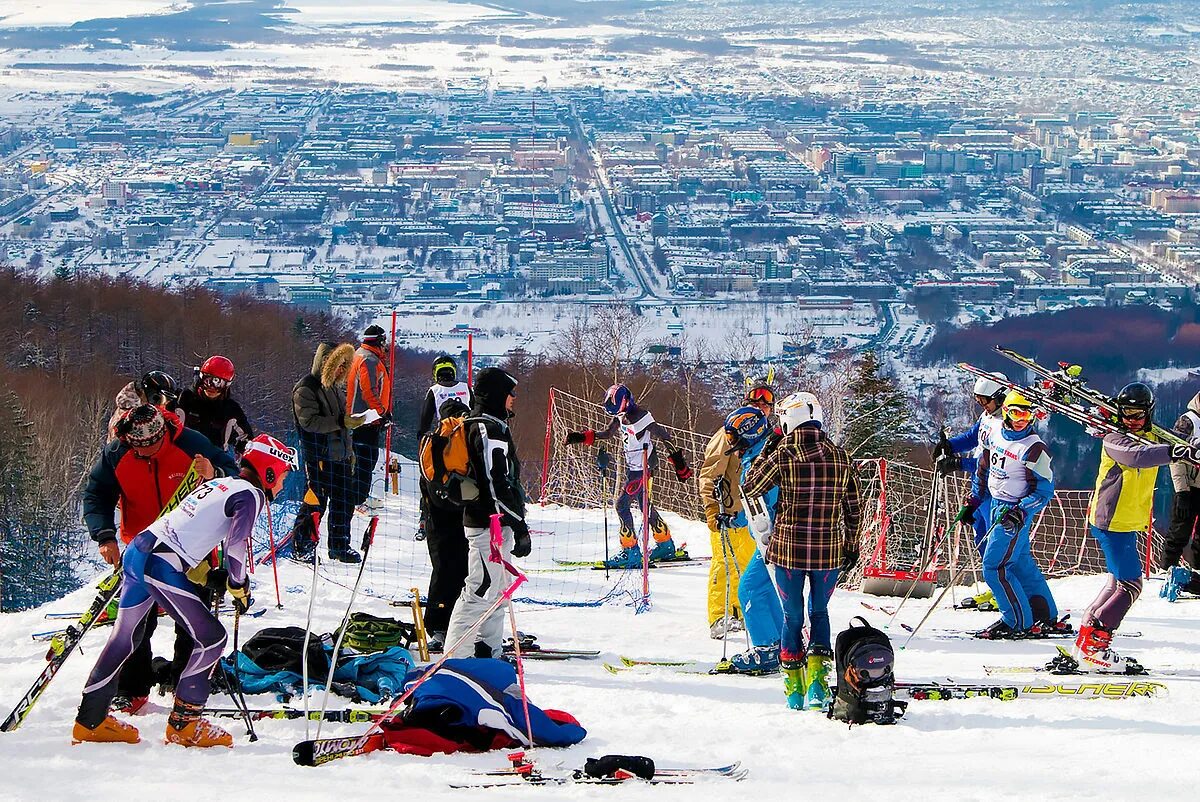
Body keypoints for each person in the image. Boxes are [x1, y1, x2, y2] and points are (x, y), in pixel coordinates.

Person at [72, 434, 297, 747]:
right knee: (212, 638)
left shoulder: (222, 484)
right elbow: (235, 546)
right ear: (269, 472)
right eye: (283, 476)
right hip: (160, 563)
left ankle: (90, 720)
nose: (283, 485)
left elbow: (185, 531)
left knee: (125, 637)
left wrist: (207, 576)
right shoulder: (250, 494)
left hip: (139, 550)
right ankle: (185, 724)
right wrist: (237, 584)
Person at [82, 403, 239, 713]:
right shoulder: (117, 453)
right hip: (141, 547)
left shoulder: (190, 442)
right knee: (134, 623)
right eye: (137, 448)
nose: (145, 452)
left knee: (192, 621)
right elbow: (96, 493)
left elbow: (233, 475)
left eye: (152, 446)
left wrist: (215, 473)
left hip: (192, 549)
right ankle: (131, 689)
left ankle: (186, 685)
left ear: (163, 433)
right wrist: (104, 535)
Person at [742, 391, 861, 711]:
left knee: (792, 617)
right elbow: (853, 509)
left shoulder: (783, 453)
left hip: (788, 552)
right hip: (828, 552)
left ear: (788, 420)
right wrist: (851, 547)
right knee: (819, 614)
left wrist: (768, 447)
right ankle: (818, 687)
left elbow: (751, 486)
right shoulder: (841, 457)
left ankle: (794, 691)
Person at [1073, 383, 1199, 671]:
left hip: (1128, 522)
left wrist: (1189, 447)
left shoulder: (1148, 434)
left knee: (1117, 582)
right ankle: (1097, 644)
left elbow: (1169, 440)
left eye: (1138, 414)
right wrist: (1175, 453)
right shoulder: (1115, 438)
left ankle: (1087, 638)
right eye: (1127, 413)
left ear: (1148, 413)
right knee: (1131, 584)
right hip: (1111, 521)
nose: (1132, 419)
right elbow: (1139, 456)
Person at [444, 368, 529, 659]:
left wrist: (515, 523)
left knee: (498, 592)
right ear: (496, 396)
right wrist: (519, 525)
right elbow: (495, 484)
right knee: (480, 590)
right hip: (487, 524)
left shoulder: (493, 425)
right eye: (509, 393)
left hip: (495, 523)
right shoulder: (486, 429)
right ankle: (456, 658)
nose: (513, 399)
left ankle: (488, 652)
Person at [564, 384, 692, 568]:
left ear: (626, 401)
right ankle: (665, 544)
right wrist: (581, 437)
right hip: (634, 467)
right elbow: (608, 433)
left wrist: (680, 465)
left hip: (643, 468)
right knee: (644, 505)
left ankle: (630, 551)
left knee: (622, 505)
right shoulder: (621, 415)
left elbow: (666, 437)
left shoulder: (643, 418)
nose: (617, 414)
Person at [971, 391, 1062, 639]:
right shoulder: (995, 433)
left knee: (994, 567)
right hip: (995, 504)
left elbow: (1044, 490)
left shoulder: (1034, 448)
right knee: (1020, 562)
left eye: (1027, 414)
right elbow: (984, 467)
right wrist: (974, 498)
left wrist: (1021, 510)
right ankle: (1042, 614)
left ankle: (1016, 620)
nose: (1022, 419)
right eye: (1016, 413)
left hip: (1013, 511)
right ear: (1006, 412)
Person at [727, 409, 786, 675]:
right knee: (766, 590)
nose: (731, 443)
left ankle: (766, 650)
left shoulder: (763, 459)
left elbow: (764, 499)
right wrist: (734, 520)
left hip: (774, 540)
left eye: (733, 436)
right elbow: (753, 505)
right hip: (770, 538)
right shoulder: (756, 455)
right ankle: (781, 643)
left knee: (749, 589)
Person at [697, 407, 765, 639]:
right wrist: (712, 508)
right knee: (723, 564)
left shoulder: (761, 435)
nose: (762, 405)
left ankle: (740, 612)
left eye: (767, 401)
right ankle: (718, 615)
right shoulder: (728, 436)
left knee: (747, 566)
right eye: (756, 399)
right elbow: (709, 473)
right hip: (727, 511)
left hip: (751, 515)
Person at [291, 341, 359, 563]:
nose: (341, 370)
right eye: (338, 365)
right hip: (317, 456)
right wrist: (341, 421)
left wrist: (349, 451)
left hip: (339, 455)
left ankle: (340, 545)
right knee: (315, 501)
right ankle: (303, 546)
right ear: (326, 363)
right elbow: (309, 422)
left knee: (343, 501)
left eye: (344, 367)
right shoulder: (306, 388)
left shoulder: (333, 388)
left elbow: (342, 424)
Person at [420, 397, 472, 652]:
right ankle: (465, 625)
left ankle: (438, 627)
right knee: (467, 571)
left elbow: (425, 481)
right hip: (465, 516)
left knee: (442, 570)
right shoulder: (469, 437)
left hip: (437, 516)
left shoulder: (430, 441)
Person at [416, 355, 473, 539]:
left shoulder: (434, 390)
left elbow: (425, 421)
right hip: (467, 439)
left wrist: (423, 438)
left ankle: (425, 518)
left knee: (430, 478)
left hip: (444, 440)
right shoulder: (466, 387)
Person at [346, 324, 392, 511]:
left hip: (363, 417)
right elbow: (369, 391)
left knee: (363, 459)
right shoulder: (369, 360)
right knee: (366, 460)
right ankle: (358, 499)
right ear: (378, 341)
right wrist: (382, 412)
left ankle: (359, 495)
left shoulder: (361, 355)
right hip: (366, 418)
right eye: (383, 341)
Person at [1160, 391, 1200, 599]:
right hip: (1189, 487)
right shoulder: (1188, 421)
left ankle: (1195, 576)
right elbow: (1176, 457)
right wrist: (1182, 491)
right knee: (1179, 532)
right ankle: (1166, 570)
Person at [177, 355, 254, 455]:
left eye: (218, 383)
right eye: (208, 381)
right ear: (201, 378)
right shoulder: (186, 398)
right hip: (183, 452)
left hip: (215, 458)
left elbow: (247, 439)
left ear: (226, 385)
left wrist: (244, 450)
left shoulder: (231, 410)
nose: (212, 387)